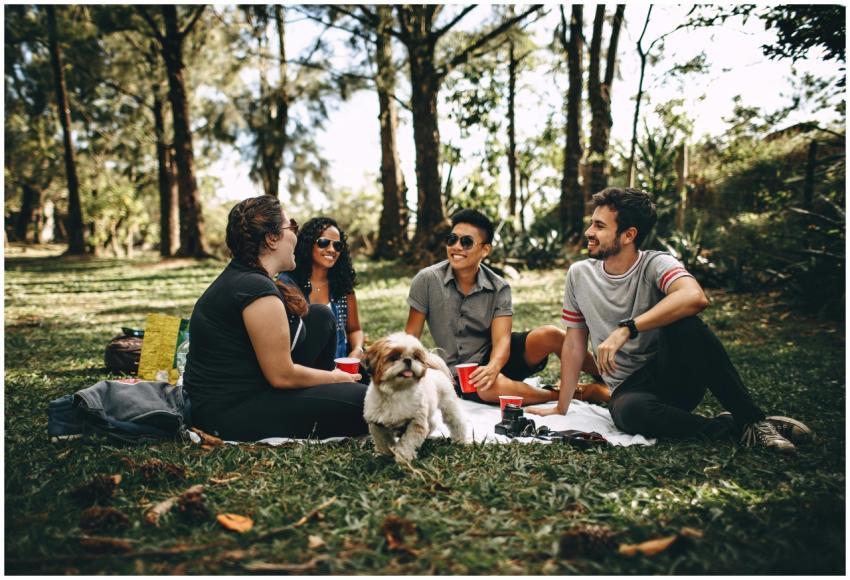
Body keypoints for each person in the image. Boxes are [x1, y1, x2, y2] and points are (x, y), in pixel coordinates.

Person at [527, 187, 811, 453]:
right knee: (629, 413)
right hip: (630, 390)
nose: (589, 232)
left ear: (629, 235)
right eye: (592, 223)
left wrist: (627, 328)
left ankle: (754, 420)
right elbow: (575, 345)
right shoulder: (579, 274)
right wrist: (561, 407)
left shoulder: (656, 263)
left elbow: (694, 296)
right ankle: (734, 426)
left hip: (674, 375)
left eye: (599, 226)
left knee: (686, 322)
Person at [183, 195, 368, 441]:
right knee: (370, 403)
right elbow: (282, 375)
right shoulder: (255, 289)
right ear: (271, 239)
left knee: (320, 316)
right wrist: (335, 378)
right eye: (291, 226)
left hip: (252, 387)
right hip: (230, 412)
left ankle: (330, 392)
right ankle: (335, 393)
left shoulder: (248, 278)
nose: (296, 234)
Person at [404, 208, 608, 406]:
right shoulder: (427, 280)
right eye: (452, 239)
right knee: (489, 387)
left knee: (551, 334)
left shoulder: (499, 287)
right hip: (459, 373)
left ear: (485, 249)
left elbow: (502, 340)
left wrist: (493, 367)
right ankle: (578, 393)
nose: (456, 247)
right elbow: (411, 336)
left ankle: (609, 379)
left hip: (497, 356)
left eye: (466, 242)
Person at [281, 217, 365, 362]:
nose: (332, 250)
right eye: (323, 242)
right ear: (308, 245)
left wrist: (357, 350)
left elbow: (354, 329)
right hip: (303, 370)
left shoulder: (343, 285)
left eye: (338, 246)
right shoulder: (287, 284)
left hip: (340, 369)